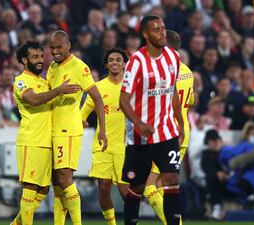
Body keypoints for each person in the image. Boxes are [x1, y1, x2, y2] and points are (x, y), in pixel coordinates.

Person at [120, 15, 184, 225]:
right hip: (141, 137)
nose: (162, 33)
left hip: (167, 132)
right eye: (156, 30)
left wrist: (179, 122)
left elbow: (173, 90)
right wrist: (138, 123)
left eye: (163, 28)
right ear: (145, 34)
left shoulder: (173, 56)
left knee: (172, 180)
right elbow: (123, 99)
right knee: (138, 186)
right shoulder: (136, 62)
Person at [10, 40, 81, 225]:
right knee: (31, 187)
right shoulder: (21, 81)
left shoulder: (44, 81)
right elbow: (33, 99)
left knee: (43, 190)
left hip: (48, 142)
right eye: (35, 57)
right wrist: (58, 90)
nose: (40, 61)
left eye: (41, 56)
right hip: (31, 141)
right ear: (25, 60)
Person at [47, 30, 107, 225]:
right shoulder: (52, 68)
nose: (55, 51)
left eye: (59, 47)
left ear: (68, 45)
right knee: (57, 181)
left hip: (69, 130)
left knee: (65, 178)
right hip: (54, 129)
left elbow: (97, 97)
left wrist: (102, 129)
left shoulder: (79, 67)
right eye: (52, 47)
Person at [146, 29, 194, 225]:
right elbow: (190, 101)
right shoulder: (188, 72)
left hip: (166, 135)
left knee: (149, 188)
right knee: (162, 187)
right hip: (183, 133)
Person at [81, 47, 129, 225]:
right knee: (103, 187)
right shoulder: (98, 88)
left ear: (124, 64)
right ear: (107, 65)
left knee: (125, 191)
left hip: (125, 146)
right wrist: (82, 121)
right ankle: (112, 223)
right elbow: (83, 113)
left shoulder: (132, 87)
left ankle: (131, 220)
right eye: (111, 60)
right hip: (103, 145)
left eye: (118, 60)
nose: (115, 62)